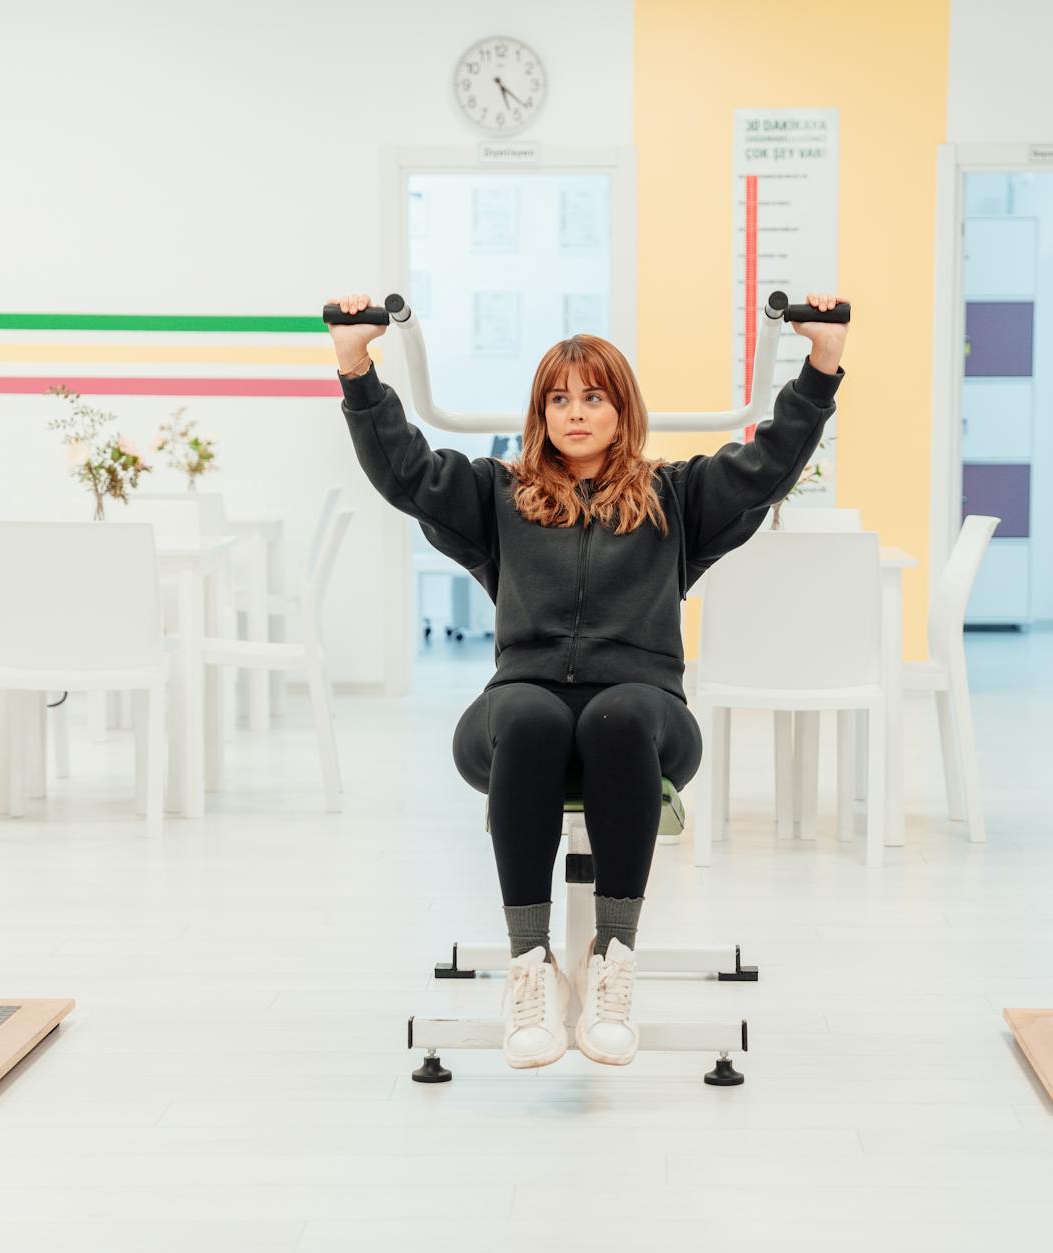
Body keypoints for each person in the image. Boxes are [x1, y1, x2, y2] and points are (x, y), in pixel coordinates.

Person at [328, 292, 848, 1068]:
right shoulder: (497, 495)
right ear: (541, 412)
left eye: (594, 396)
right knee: (534, 718)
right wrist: (355, 365)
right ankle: (530, 966)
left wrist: (822, 363)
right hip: (519, 711)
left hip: (644, 721)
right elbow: (405, 469)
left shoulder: (676, 498)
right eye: (560, 398)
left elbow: (768, 465)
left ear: (620, 408)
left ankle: (613, 960)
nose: (577, 412)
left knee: (617, 716)